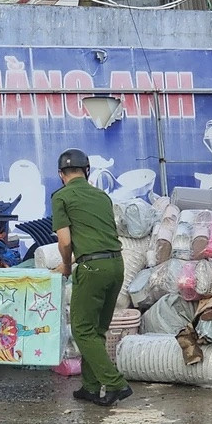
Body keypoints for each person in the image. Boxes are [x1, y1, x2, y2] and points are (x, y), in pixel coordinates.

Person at [52, 148, 132, 406]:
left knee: (82, 329)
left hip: (91, 269)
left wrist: (66, 265)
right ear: (87, 171)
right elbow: (99, 236)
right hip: (117, 265)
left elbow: (65, 241)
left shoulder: (61, 197)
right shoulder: (102, 196)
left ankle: (116, 383)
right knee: (96, 330)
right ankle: (91, 386)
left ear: (61, 174)